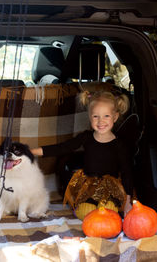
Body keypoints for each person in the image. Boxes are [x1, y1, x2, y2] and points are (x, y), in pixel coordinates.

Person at [31, 90, 134, 218]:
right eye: (96, 116)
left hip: (111, 191)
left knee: (107, 212)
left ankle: (104, 220)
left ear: (115, 117)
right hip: (88, 189)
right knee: (85, 213)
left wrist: (128, 201)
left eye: (106, 116)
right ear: (90, 117)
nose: (101, 121)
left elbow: (127, 173)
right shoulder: (86, 137)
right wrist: (31, 151)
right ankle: (90, 214)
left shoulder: (120, 145)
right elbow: (63, 148)